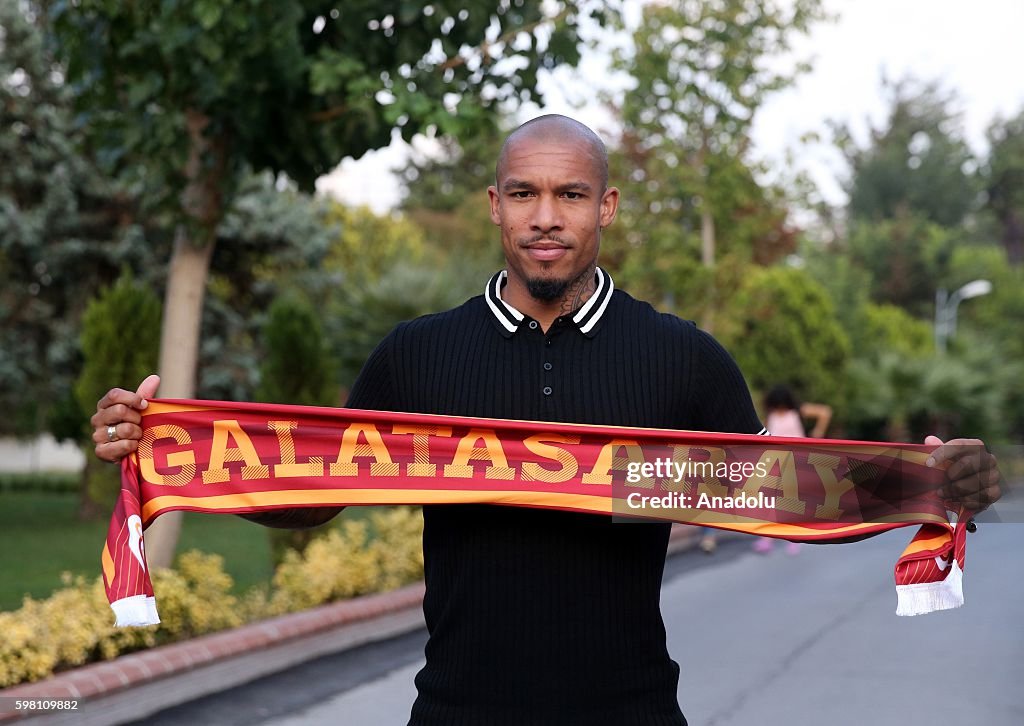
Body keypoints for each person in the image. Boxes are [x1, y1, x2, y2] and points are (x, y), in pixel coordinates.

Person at [90, 115, 1001, 726]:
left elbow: (786, 502)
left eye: (569, 196)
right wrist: (164, 449)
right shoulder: (418, 354)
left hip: (633, 708)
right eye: (523, 194)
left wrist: (930, 485)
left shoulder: (683, 358)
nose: (545, 219)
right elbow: (312, 494)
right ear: (495, 207)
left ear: (605, 207)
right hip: (455, 709)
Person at [754, 385, 833, 555]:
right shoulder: (771, 415)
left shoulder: (797, 411)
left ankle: (795, 537)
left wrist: (818, 432)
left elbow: (825, 412)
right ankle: (767, 537)